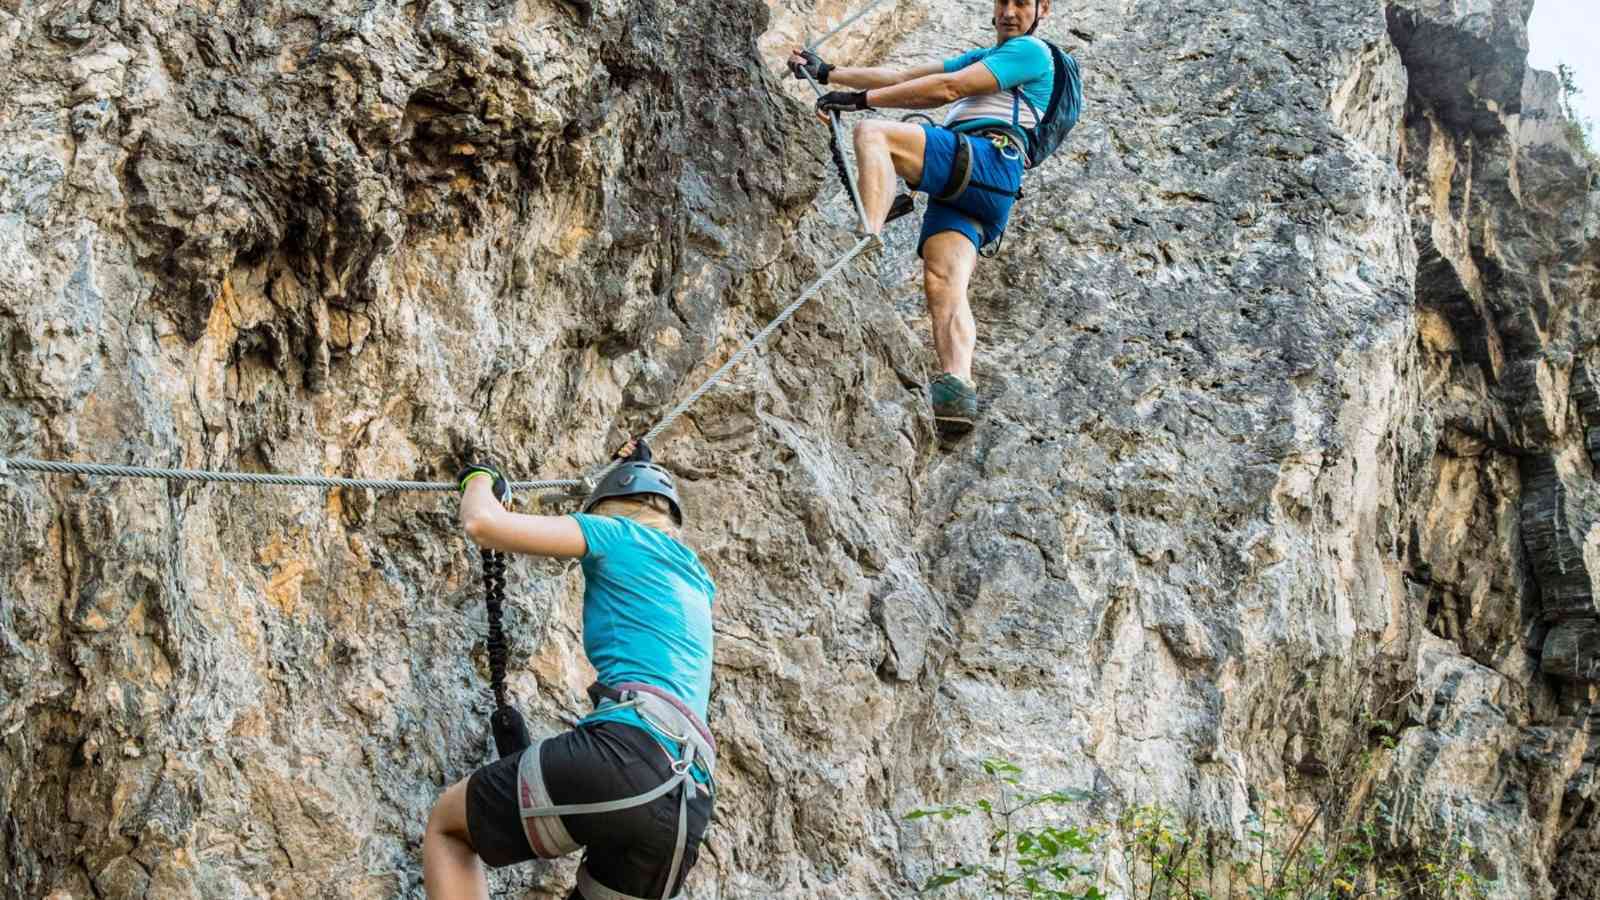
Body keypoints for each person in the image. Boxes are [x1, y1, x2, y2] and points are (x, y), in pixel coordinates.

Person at [423, 439, 716, 900]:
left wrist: (479, 480)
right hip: (689, 799)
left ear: (606, 510)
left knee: (449, 828)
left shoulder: (617, 535)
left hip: (628, 752)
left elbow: (483, 523)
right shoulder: (698, 579)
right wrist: (636, 465)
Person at [788, 0, 1080, 438]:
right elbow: (908, 77)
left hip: (985, 158)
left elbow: (947, 89)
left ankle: (870, 227)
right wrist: (831, 72)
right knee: (944, 283)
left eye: (1021, 3)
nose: (1009, 11)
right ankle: (957, 390)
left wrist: (860, 102)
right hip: (986, 186)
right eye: (1003, 1)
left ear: (1043, 11)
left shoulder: (1032, 52)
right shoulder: (989, 57)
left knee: (873, 132)